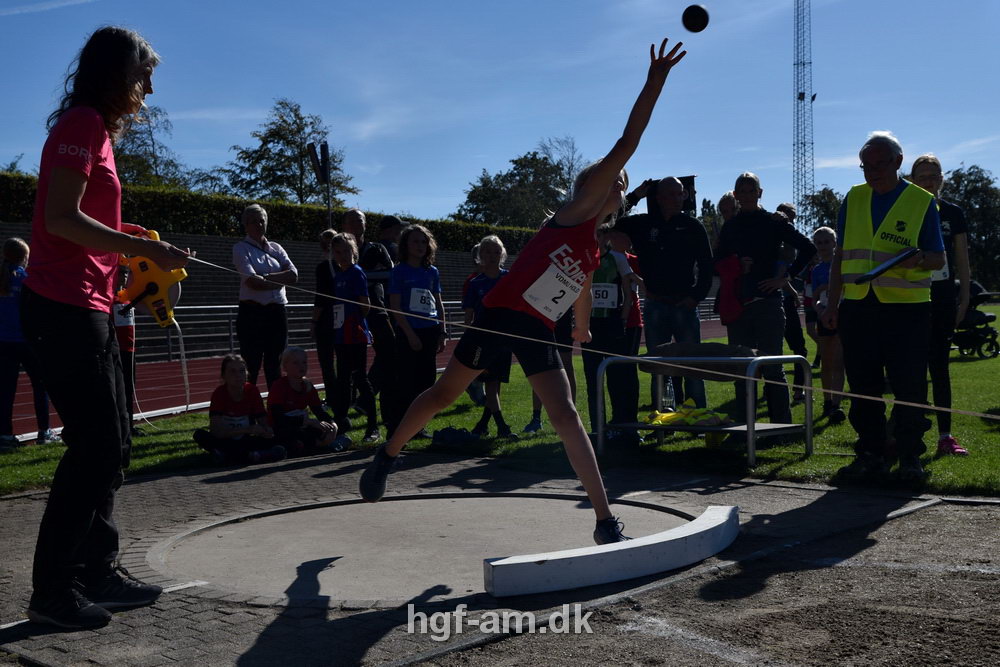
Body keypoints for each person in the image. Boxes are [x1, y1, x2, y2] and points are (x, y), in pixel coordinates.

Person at [360, 37, 688, 544]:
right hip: (498, 313)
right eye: (616, 181)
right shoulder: (574, 213)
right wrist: (655, 83)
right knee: (446, 393)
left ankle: (604, 521)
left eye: (620, 183)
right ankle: (387, 456)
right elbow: (627, 143)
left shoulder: (594, 245)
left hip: (535, 326)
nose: (621, 184)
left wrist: (579, 327)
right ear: (593, 187)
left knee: (565, 414)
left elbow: (576, 287)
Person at [21, 26, 190, 629]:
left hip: (93, 305)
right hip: (62, 308)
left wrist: (136, 248)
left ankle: (97, 571)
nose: (148, 88)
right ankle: (52, 591)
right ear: (115, 73)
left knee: (114, 443)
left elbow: (85, 227)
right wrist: (135, 243)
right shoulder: (81, 125)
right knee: (93, 447)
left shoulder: (99, 132)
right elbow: (61, 220)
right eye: (143, 74)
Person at [821, 131, 945, 483]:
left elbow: (937, 258)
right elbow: (840, 257)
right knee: (863, 385)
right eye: (866, 167)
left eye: (879, 165)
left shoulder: (921, 201)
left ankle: (909, 457)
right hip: (858, 307)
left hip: (907, 309)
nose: (872, 173)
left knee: (909, 386)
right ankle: (870, 452)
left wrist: (917, 260)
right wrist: (832, 303)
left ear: (898, 163)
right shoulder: (854, 198)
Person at [716, 173, 816, 433]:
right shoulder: (730, 226)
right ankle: (743, 429)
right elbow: (715, 263)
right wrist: (736, 266)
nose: (747, 195)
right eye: (742, 191)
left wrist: (785, 278)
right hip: (739, 306)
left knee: (773, 369)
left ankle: (781, 429)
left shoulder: (773, 222)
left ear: (760, 193)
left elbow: (808, 248)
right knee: (741, 371)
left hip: (769, 304)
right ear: (735, 195)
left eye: (752, 191)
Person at [617, 176, 713, 408]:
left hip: (685, 305)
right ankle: (662, 418)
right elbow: (611, 219)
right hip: (655, 305)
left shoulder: (693, 226)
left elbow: (708, 266)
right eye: (670, 194)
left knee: (693, 366)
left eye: (680, 193)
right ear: (658, 198)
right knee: (658, 366)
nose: (677, 198)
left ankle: (698, 418)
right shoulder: (643, 224)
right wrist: (636, 195)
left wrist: (695, 297)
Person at [910, 154, 971, 456]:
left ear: (942, 178)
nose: (929, 181)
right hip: (909, 297)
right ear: (911, 179)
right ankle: (908, 432)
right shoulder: (907, 210)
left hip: (944, 297)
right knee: (910, 367)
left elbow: (961, 258)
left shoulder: (953, 212)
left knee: (940, 367)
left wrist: (965, 297)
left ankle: (945, 436)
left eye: (934, 175)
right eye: (922, 176)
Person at [387, 224, 447, 439]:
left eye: (424, 242)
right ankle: (398, 428)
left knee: (426, 382)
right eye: (415, 241)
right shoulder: (399, 271)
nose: (420, 246)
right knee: (406, 381)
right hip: (408, 332)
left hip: (430, 330)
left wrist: (442, 331)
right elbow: (395, 306)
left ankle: (418, 427)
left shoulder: (432, 272)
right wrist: (410, 334)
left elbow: (438, 303)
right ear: (406, 244)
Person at [581, 224, 639, 443]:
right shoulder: (584, 258)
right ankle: (598, 427)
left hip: (613, 323)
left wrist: (623, 319)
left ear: (607, 236)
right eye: (593, 233)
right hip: (590, 325)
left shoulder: (617, 259)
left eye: (601, 233)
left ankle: (620, 425)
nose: (597, 237)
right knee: (593, 378)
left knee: (617, 377)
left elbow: (627, 290)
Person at [341, 209, 397, 428]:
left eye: (360, 221)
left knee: (390, 353)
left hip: (376, 308)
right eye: (351, 221)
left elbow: (389, 274)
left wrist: (358, 275)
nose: (356, 224)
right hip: (348, 315)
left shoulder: (376, 248)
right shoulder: (338, 249)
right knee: (349, 364)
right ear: (344, 225)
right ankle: (345, 414)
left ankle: (386, 413)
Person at [233, 204, 298, 389]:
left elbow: (294, 275)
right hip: (252, 313)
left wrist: (266, 279)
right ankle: (248, 410)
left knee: (275, 363)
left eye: (262, 220)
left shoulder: (276, 248)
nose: (259, 224)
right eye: (254, 221)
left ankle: (275, 409)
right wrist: (279, 279)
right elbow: (252, 281)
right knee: (251, 365)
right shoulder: (240, 248)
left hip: (276, 312)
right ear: (245, 224)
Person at [0, 238, 54, 449]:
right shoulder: (27, 279)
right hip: (27, 340)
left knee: (5, 390)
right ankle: (44, 431)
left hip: (3, 341)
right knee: (40, 386)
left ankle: (4, 435)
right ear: (24, 257)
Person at [326, 232, 379, 442]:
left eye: (346, 251)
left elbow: (365, 305)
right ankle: (341, 420)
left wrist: (356, 321)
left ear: (354, 251)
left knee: (360, 379)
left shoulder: (357, 273)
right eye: (338, 252)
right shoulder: (338, 276)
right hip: (340, 336)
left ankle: (373, 426)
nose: (342, 256)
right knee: (343, 379)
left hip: (355, 335)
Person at [462, 236, 515, 438]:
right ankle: (502, 427)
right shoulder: (476, 284)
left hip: (504, 340)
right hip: (484, 341)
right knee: (491, 384)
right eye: (487, 252)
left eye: (496, 251)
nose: (492, 256)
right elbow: (469, 316)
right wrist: (471, 339)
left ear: (502, 254)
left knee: (496, 383)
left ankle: (483, 425)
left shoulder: (509, 278)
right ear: (480, 255)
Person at [193, 355, 286, 465]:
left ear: (247, 374)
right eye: (232, 372)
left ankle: (228, 455)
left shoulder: (252, 391)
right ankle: (251, 455)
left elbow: (263, 421)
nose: (238, 376)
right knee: (200, 435)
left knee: (278, 435)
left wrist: (266, 430)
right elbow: (216, 431)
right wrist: (245, 430)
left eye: (242, 371)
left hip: (246, 440)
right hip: (225, 439)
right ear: (224, 376)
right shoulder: (219, 394)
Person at [267, 347, 344, 455]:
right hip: (283, 428)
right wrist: (307, 422)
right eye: (295, 363)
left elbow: (319, 411)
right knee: (295, 435)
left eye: (304, 362)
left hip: (303, 426)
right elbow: (277, 418)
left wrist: (333, 425)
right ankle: (318, 445)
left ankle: (321, 443)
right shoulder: (279, 386)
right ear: (285, 367)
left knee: (343, 423)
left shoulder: (308, 386)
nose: (301, 366)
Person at [809, 227, 846, 423]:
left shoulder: (842, 265)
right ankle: (827, 400)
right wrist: (820, 311)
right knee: (827, 363)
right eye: (819, 243)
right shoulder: (816, 271)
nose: (823, 246)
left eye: (826, 242)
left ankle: (837, 405)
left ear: (834, 243)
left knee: (839, 362)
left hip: (841, 316)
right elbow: (813, 297)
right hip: (824, 317)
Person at [775, 203, 810, 405]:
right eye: (790, 217)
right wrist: (794, 292)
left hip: (785, 297)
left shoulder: (790, 243)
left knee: (797, 349)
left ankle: (796, 391)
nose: (792, 222)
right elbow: (780, 274)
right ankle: (788, 392)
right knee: (789, 349)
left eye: (794, 218)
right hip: (780, 299)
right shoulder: (779, 241)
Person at [312, 229, 339, 408]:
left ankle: (332, 397)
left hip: (328, 319)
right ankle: (344, 395)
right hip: (343, 317)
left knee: (327, 361)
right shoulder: (348, 266)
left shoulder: (324, 267)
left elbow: (320, 298)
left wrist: (314, 322)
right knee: (344, 361)